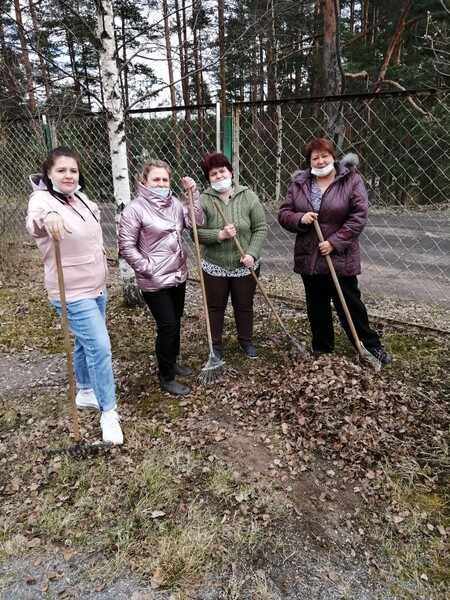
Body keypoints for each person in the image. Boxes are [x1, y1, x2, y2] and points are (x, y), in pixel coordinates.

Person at [26, 147, 123, 445]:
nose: (68, 175)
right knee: (100, 346)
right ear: (48, 173)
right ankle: (109, 413)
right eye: (61, 170)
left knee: (85, 341)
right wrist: (50, 215)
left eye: (73, 171)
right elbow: (35, 220)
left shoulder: (80, 198)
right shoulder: (42, 199)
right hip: (70, 291)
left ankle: (84, 392)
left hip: (96, 286)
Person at [278, 137, 391, 363]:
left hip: (340, 256)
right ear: (309, 161)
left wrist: (334, 242)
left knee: (350, 303)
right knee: (316, 305)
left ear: (333, 157)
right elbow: (284, 213)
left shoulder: (351, 179)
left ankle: (369, 345)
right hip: (309, 255)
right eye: (315, 158)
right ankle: (322, 346)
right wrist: (301, 218)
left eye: (325, 156)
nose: (320, 161)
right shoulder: (300, 183)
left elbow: (358, 217)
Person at [117, 158, 203, 396]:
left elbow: (196, 221)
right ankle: (165, 376)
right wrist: (147, 268)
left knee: (176, 318)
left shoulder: (175, 203)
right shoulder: (135, 209)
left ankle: (172, 360)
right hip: (154, 279)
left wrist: (192, 196)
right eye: (156, 179)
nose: (161, 183)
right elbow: (126, 246)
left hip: (178, 273)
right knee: (167, 325)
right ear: (144, 181)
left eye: (165, 179)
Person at [196, 152, 268, 360]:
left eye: (222, 172)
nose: (218, 177)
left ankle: (246, 341)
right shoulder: (203, 200)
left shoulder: (248, 197)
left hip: (244, 264)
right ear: (208, 179)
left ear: (231, 172)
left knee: (244, 305)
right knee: (215, 306)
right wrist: (220, 234)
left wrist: (252, 254)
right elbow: (196, 232)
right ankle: (215, 346)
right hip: (214, 264)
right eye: (213, 174)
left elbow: (261, 228)